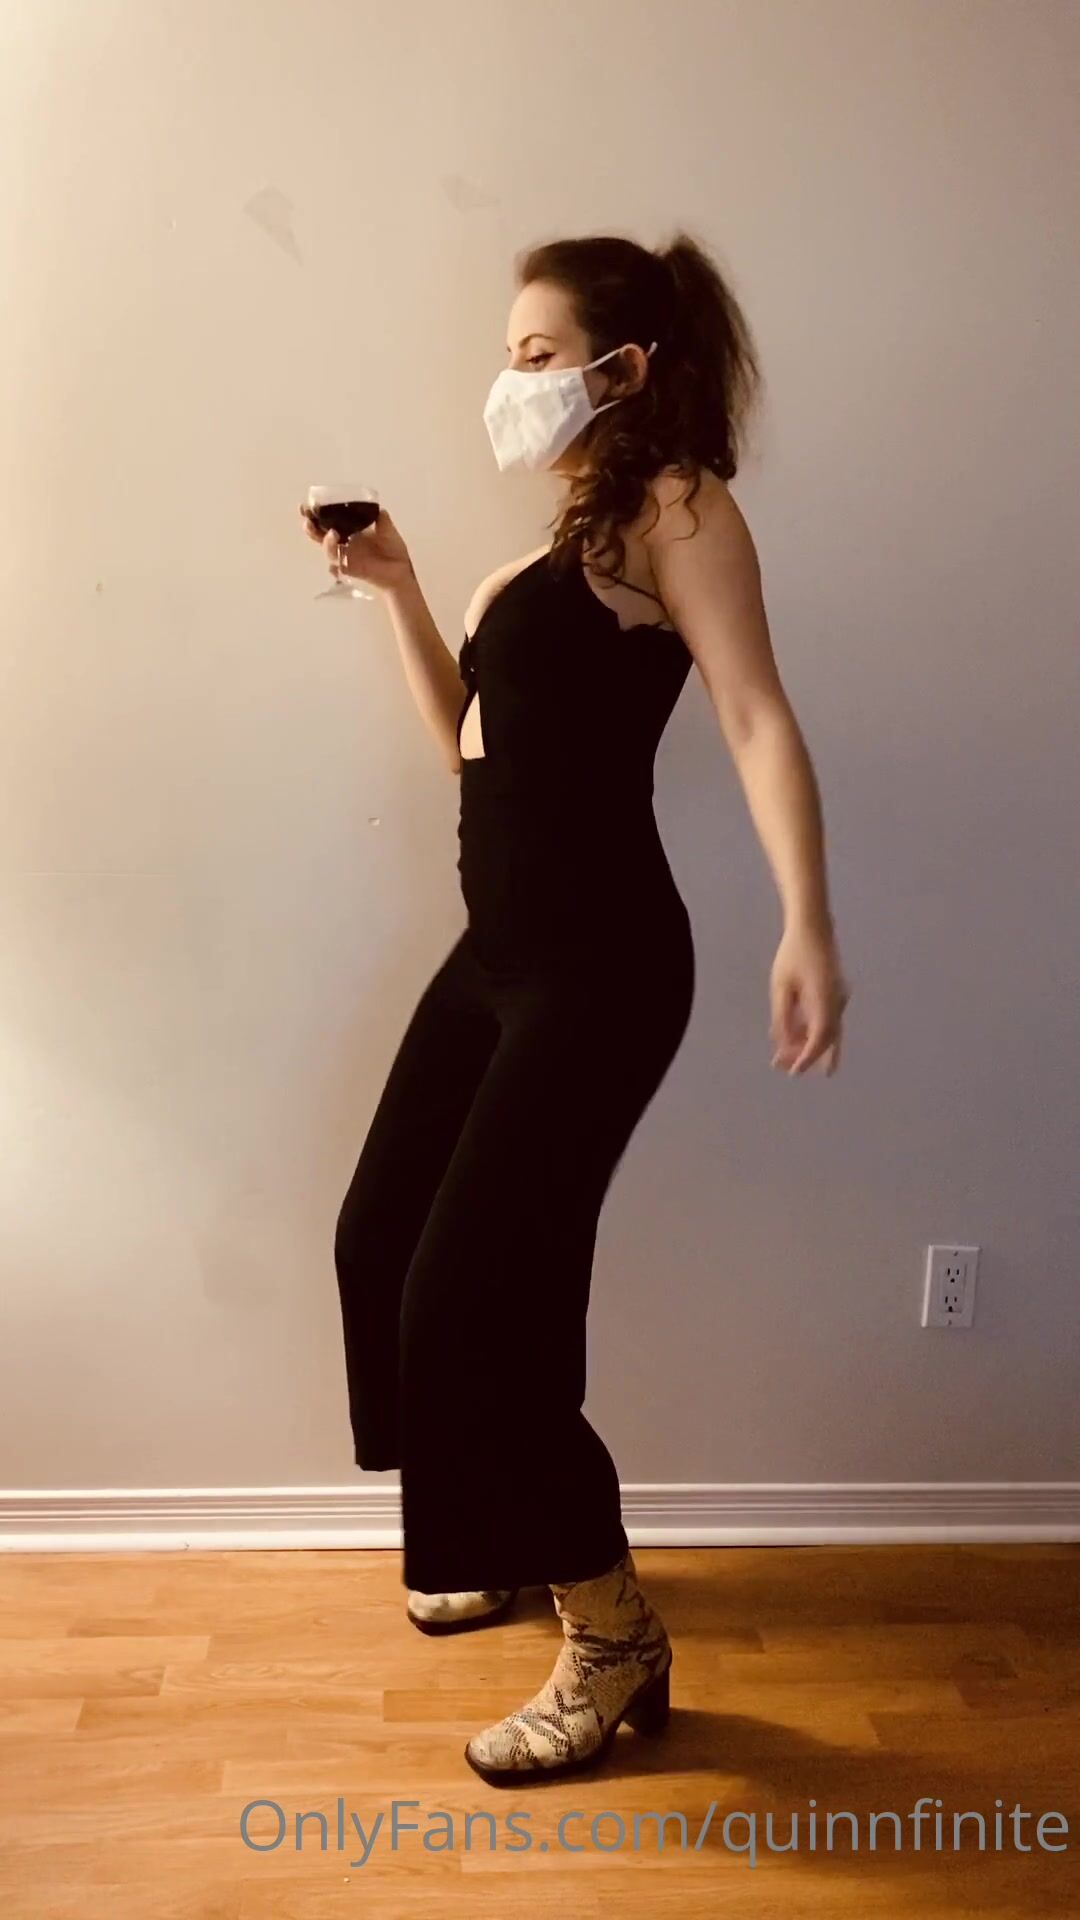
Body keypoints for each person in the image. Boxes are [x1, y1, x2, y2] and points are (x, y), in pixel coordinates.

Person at [300, 230, 850, 1786]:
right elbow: (468, 742)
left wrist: (808, 921)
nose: (513, 379)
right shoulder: (550, 547)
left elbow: (756, 714)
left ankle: (613, 1638)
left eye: (538, 356)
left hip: (602, 967)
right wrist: (401, 590)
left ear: (628, 368)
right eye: (513, 355)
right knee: (380, 1243)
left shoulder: (679, 510)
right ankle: (502, 1530)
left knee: (477, 1300)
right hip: (497, 957)